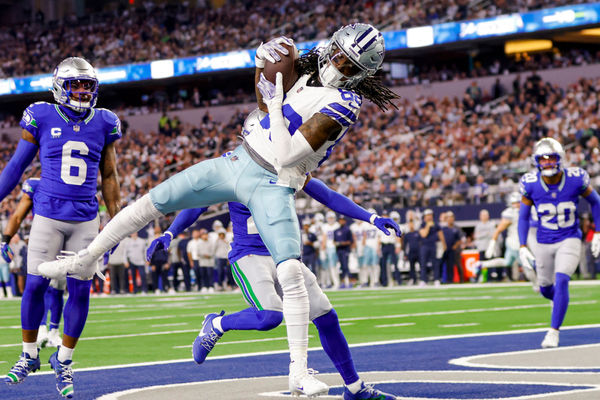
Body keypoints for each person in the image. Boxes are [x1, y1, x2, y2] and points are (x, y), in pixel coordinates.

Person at [38, 24, 398, 397]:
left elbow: (287, 154)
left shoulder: (346, 102)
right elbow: (263, 102)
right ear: (330, 46)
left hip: (274, 180)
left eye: (349, 65)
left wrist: (275, 105)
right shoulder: (303, 74)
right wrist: (260, 62)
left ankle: (305, 374)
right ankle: (85, 259)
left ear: (362, 74)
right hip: (239, 167)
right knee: (153, 200)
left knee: (294, 275)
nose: (338, 66)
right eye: (338, 55)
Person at [146, 176, 400, 399]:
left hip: (285, 255)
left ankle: (354, 387)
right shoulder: (235, 167)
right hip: (249, 256)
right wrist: (170, 233)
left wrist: (371, 217)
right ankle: (216, 324)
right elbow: (198, 205)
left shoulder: (287, 163)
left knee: (326, 316)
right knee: (270, 316)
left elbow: (327, 195)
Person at [1, 57, 121, 399]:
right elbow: (15, 166)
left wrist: (116, 220)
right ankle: (27, 355)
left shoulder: (106, 121)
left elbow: (109, 176)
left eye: (87, 85)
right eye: (75, 85)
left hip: (86, 218)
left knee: (81, 291)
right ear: (60, 86)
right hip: (48, 215)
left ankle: (64, 359)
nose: (82, 91)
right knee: (34, 285)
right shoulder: (41, 114)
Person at [518, 138, 600, 348]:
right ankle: (559, 302)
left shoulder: (575, 178)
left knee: (562, 279)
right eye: (542, 160)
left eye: (551, 158)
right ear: (537, 162)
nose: (547, 163)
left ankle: (553, 331)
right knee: (546, 288)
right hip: (543, 241)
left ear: (560, 159)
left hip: (569, 238)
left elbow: (596, 202)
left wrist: (598, 231)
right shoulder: (531, 183)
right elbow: (523, 217)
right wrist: (522, 245)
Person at [2, 178, 65, 346]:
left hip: (65, 242)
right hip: (42, 241)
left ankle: (54, 331)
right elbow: (17, 216)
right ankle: (42, 328)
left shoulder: (71, 183)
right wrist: (5, 239)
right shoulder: (35, 184)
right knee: (40, 286)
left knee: (58, 290)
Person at [477, 192, 537, 286]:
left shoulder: (529, 210)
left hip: (520, 242)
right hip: (516, 243)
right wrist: (492, 244)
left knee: (507, 262)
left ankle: (483, 264)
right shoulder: (510, 213)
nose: (517, 205)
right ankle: (537, 285)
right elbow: (499, 229)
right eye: (515, 203)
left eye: (518, 202)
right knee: (529, 265)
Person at [418, 209, 447, 286]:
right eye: (428, 215)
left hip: (434, 245)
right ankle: (423, 280)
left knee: (435, 263)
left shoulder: (436, 225)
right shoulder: (422, 225)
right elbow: (423, 234)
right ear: (424, 217)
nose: (429, 217)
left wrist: (444, 244)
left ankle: (436, 279)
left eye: (430, 215)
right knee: (423, 263)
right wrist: (428, 226)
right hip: (424, 246)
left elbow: (441, 235)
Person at [441, 211, 464, 283]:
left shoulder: (457, 228)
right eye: (449, 217)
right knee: (448, 265)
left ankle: (461, 279)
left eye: (451, 217)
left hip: (455, 250)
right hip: (446, 249)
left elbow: (462, 239)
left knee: (458, 264)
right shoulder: (444, 228)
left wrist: (456, 246)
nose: (450, 219)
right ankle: (448, 279)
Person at [321, 211, 340, 288]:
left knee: (337, 266)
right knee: (331, 266)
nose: (331, 219)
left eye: (332, 218)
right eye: (329, 218)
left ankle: (338, 282)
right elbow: (324, 237)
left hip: (338, 248)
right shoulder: (325, 226)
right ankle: (335, 282)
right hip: (329, 247)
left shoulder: (337, 225)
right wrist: (323, 248)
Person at [334, 215, 354, 288]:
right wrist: (337, 243)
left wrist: (342, 243)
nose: (341, 221)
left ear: (345, 221)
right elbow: (334, 241)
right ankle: (343, 282)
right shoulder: (336, 231)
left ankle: (351, 281)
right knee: (342, 267)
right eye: (340, 220)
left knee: (346, 266)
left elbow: (350, 241)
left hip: (345, 250)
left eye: (343, 220)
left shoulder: (348, 230)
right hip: (339, 250)